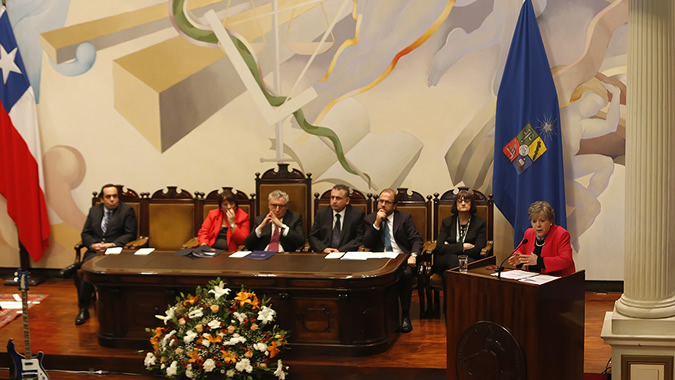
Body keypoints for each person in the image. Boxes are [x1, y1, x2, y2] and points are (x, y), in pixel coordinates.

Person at [61, 184, 137, 325]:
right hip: (95, 250)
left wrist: (111, 245)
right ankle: (83, 309)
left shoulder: (127, 211)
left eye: (115, 196)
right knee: (87, 271)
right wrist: (92, 245)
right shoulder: (94, 211)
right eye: (108, 197)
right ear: (102, 199)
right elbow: (85, 233)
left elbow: (130, 234)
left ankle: (75, 266)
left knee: (87, 266)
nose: (112, 199)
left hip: (116, 252)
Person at [363, 189, 423, 333]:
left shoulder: (405, 218)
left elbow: (416, 239)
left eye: (387, 202)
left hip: (401, 259)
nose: (382, 205)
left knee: (406, 275)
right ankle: (376, 316)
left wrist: (413, 255)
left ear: (395, 205)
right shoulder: (370, 219)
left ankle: (405, 315)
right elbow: (367, 243)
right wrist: (377, 223)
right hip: (379, 261)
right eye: (381, 201)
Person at [507, 201, 575, 276]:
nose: (538, 225)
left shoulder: (561, 234)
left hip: (558, 280)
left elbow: (566, 260)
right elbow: (520, 251)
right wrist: (519, 259)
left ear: (551, 221)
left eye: (542, 221)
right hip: (534, 280)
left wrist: (539, 261)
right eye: (534, 221)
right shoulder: (529, 233)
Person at [432, 189, 487, 274]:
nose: (463, 203)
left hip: (469, 259)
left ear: (471, 204)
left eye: (467, 201)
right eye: (460, 201)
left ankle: (451, 286)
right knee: (454, 261)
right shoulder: (447, 222)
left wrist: (450, 247)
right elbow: (439, 247)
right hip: (446, 259)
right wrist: (463, 247)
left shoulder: (479, 224)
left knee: (447, 273)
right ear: (456, 204)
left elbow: (477, 249)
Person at [309, 184, 365, 253]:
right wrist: (323, 249)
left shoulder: (357, 214)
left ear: (347, 201)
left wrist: (340, 251)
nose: (334, 201)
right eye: (332, 197)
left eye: (338, 198)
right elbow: (313, 237)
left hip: (346, 254)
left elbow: (359, 238)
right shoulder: (321, 213)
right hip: (325, 254)